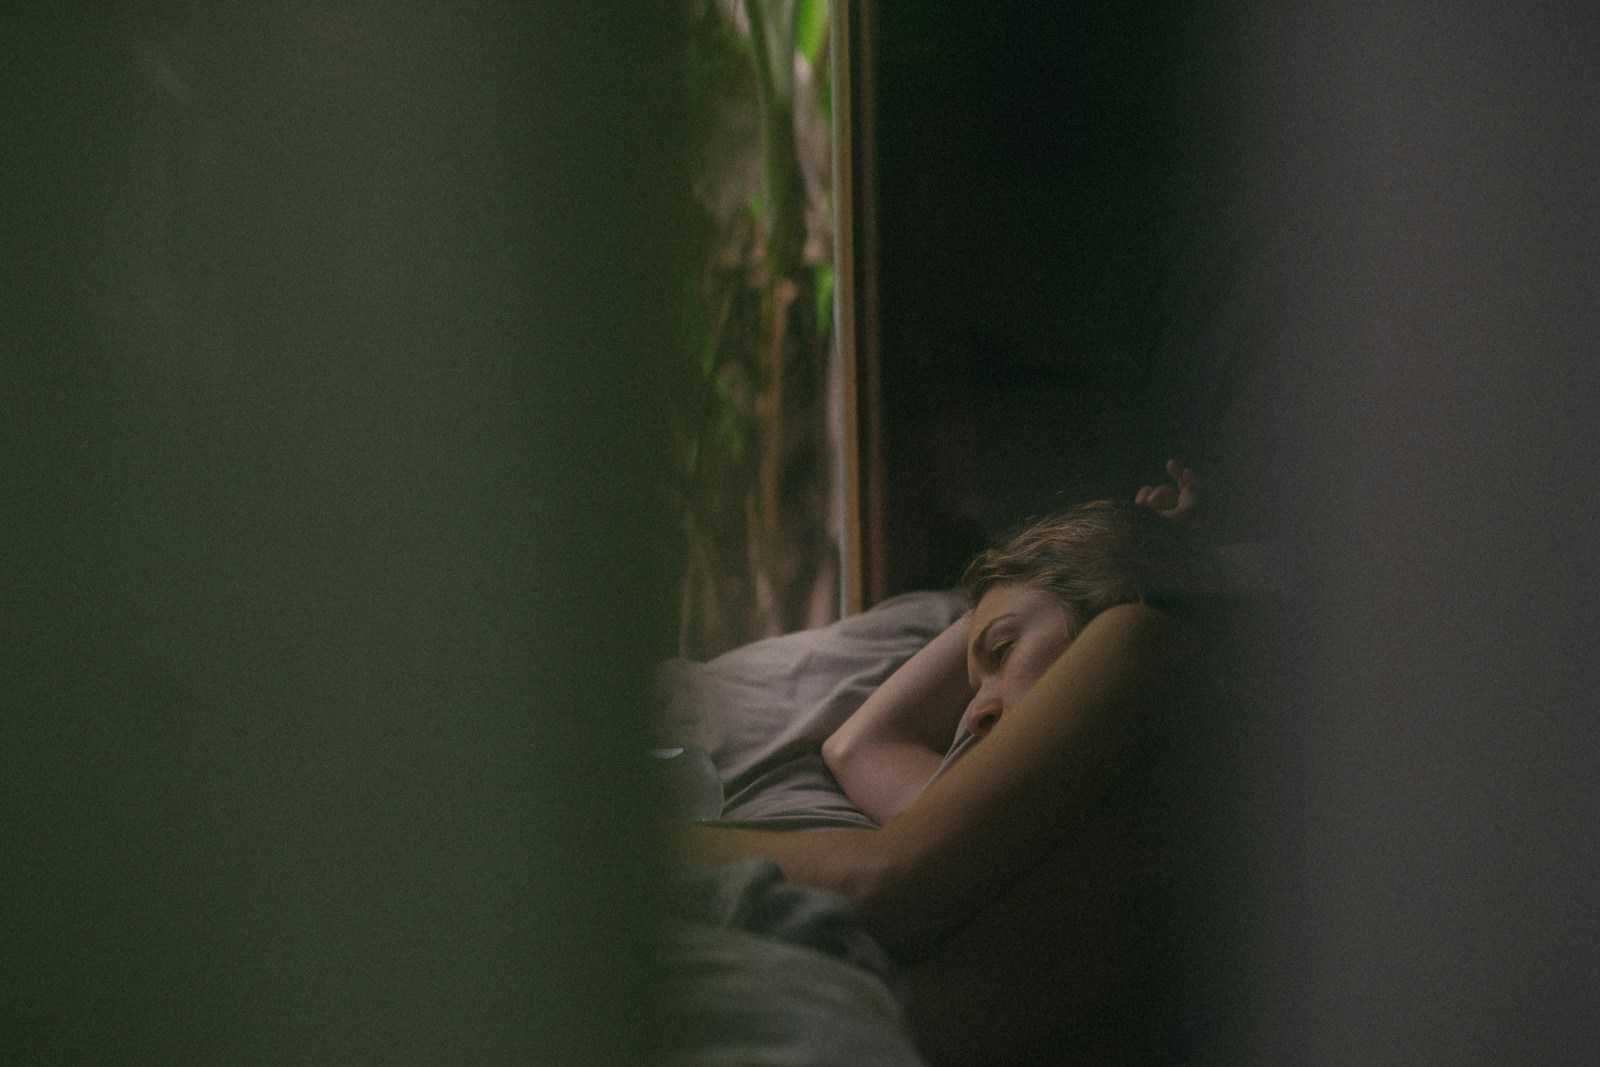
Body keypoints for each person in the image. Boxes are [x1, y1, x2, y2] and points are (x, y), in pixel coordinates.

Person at [676, 462, 1220, 1063]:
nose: (977, 713)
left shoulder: (1142, 636)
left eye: (1002, 652)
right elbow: (856, 747)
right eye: (975, 680)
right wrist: (1035, 589)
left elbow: (879, 881)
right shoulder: (1024, 810)